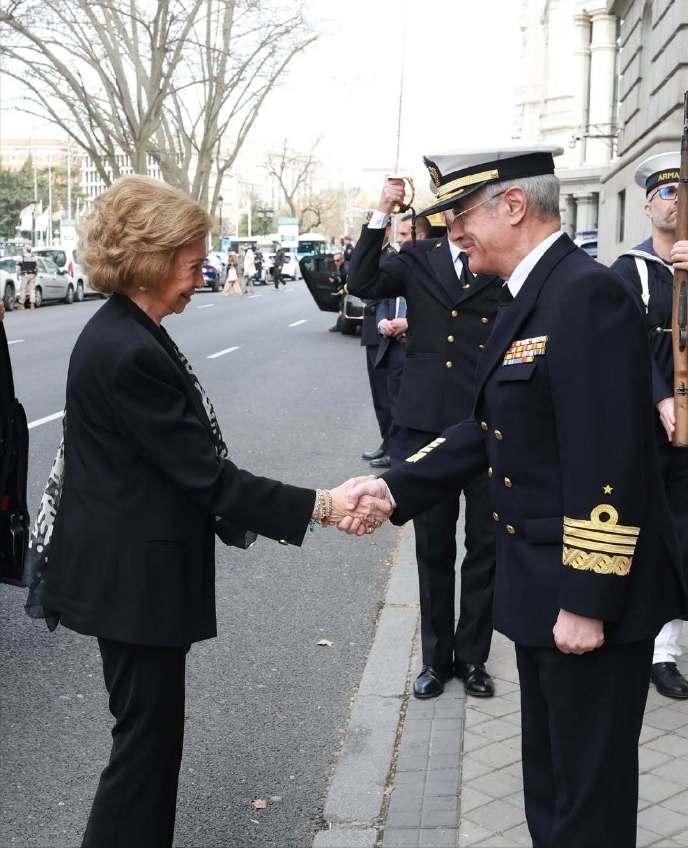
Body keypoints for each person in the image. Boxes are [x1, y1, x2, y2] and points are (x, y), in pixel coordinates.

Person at [345, 146, 688, 847]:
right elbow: (487, 427)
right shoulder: (530, 294)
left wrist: (587, 600)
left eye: (461, 217)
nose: (453, 236)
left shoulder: (584, 293)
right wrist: (392, 484)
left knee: (586, 805)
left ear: (513, 206)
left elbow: (609, 456)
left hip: (585, 602)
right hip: (541, 593)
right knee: (552, 791)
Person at [37, 175, 385, 848]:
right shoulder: (128, 349)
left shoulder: (128, 330)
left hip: (132, 579)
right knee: (143, 754)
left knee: (149, 745)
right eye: (193, 264)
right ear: (152, 257)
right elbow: (210, 479)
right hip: (133, 587)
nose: (201, 277)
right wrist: (326, 506)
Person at [348, 187, 500, 700]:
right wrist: (380, 214)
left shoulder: (497, 260)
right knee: (432, 550)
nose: (459, 221)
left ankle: (474, 658)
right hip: (425, 427)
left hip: (484, 426)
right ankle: (436, 660)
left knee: (485, 548)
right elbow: (363, 280)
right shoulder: (418, 258)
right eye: (453, 212)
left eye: (467, 210)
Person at [610, 152, 688, 700]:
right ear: (647, 205)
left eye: (681, 194)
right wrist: (662, 397)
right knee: (652, 535)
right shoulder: (629, 270)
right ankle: (653, 649)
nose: (674, 202)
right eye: (665, 194)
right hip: (650, 424)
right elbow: (627, 346)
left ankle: (672, 648)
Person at [17, 244, 38, 310]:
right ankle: (32, 305)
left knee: (23, 289)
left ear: (26, 250)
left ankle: (22, 305)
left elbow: (18, 268)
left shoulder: (21, 257)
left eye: (24, 249)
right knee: (32, 290)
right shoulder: (34, 257)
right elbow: (37, 267)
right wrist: (35, 274)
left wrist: (17, 275)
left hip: (25, 275)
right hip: (32, 275)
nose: (23, 250)